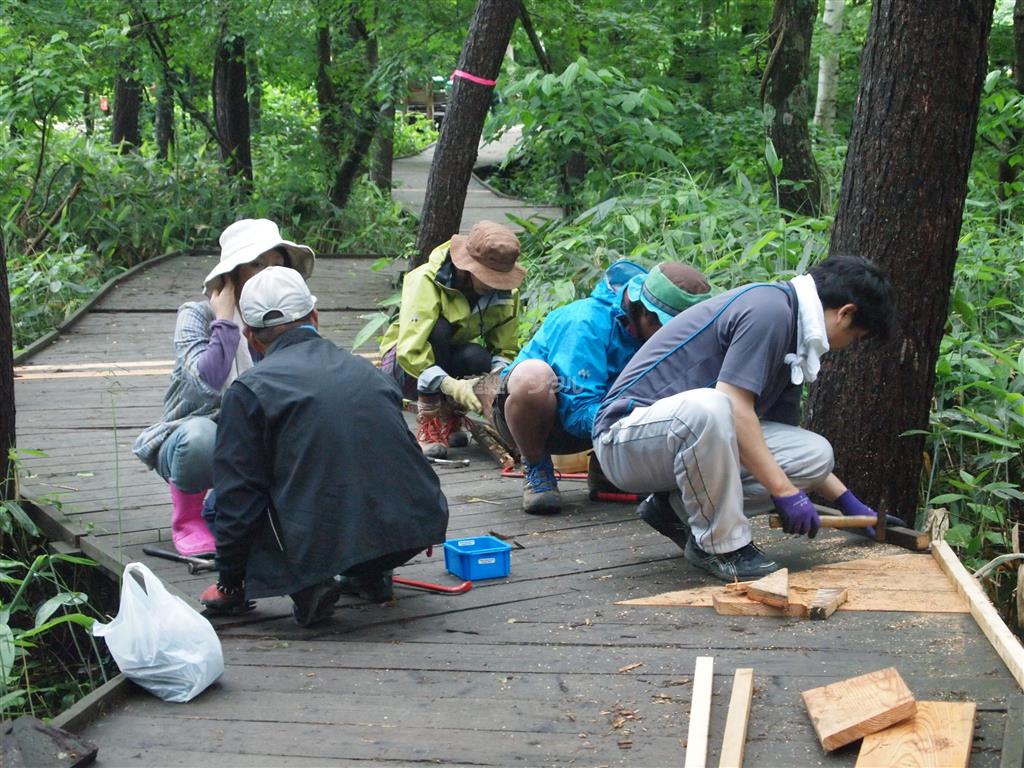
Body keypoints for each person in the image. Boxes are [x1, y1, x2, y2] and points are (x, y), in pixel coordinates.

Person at [591, 255, 896, 581]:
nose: (847, 346)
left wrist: (848, 502)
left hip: (678, 441)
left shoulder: (796, 338)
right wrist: (785, 492)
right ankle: (722, 547)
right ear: (845, 313)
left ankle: (673, 509)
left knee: (815, 454)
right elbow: (735, 407)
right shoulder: (770, 311)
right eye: (855, 337)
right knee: (712, 406)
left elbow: (766, 439)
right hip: (623, 438)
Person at [199, 266, 449, 626]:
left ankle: (307, 583)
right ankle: (370, 574)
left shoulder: (249, 390)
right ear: (314, 317)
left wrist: (230, 581)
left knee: (217, 506)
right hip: (412, 529)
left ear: (250, 336)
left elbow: (238, 496)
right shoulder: (368, 371)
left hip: (325, 539)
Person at [132, 219, 314, 557]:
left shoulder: (283, 318)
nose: (267, 274)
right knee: (200, 438)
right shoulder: (195, 315)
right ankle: (188, 519)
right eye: (257, 264)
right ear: (232, 274)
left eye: (276, 265)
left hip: (256, 436)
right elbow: (207, 382)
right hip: (198, 433)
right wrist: (226, 322)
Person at [492, 260, 712, 515]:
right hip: (536, 418)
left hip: (602, 419)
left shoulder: (654, 332)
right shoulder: (585, 323)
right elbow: (577, 413)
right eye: (669, 327)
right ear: (645, 313)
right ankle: (536, 466)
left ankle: (607, 471)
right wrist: (645, 422)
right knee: (533, 378)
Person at [380, 220, 524, 459]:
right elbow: (411, 350)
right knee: (439, 329)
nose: (496, 285)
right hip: (406, 366)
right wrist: (450, 385)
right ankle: (430, 424)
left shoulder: (505, 295)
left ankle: (450, 417)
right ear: (467, 267)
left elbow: (505, 349)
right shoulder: (425, 280)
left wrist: (495, 381)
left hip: (450, 358)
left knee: (477, 357)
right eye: (489, 278)